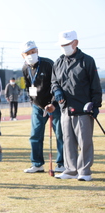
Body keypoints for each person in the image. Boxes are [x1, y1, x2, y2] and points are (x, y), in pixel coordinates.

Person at [51, 30, 102, 181]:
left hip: (84, 108)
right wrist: (57, 91)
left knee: (84, 141)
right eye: (62, 45)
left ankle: (84, 171)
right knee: (67, 139)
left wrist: (96, 104)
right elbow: (54, 82)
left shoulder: (87, 60)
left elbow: (95, 84)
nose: (64, 47)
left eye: (67, 44)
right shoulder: (58, 62)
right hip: (65, 108)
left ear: (76, 43)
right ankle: (70, 170)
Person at [20, 41, 64, 173]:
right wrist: (33, 101)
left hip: (53, 105)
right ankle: (37, 164)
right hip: (37, 106)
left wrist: (53, 103)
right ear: (23, 55)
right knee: (35, 135)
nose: (31, 55)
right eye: (28, 53)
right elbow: (28, 86)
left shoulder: (48, 64)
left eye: (33, 51)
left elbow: (56, 84)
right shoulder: (24, 68)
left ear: (37, 51)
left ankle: (62, 163)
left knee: (60, 134)